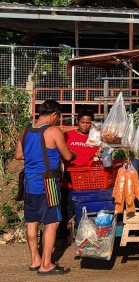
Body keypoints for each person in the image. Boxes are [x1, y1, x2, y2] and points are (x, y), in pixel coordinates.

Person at [15, 100, 74, 275]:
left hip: (28, 183)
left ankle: (35, 260)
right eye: (58, 117)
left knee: (31, 222)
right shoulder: (53, 130)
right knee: (52, 222)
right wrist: (73, 154)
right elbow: (67, 155)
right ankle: (46, 264)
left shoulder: (25, 130)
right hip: (47, 183)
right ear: (54, 115)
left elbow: (18, 155)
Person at [56, 109, 100, 250]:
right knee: (65, 208)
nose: (85, 126)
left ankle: (83, 237)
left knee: (83, 209)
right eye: (82, 122)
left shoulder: (96, 138)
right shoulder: (68, 135)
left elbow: (99, 155)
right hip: (68, 177)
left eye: (88, 123)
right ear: (77, 122)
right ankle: (62, 237)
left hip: (87, 179)